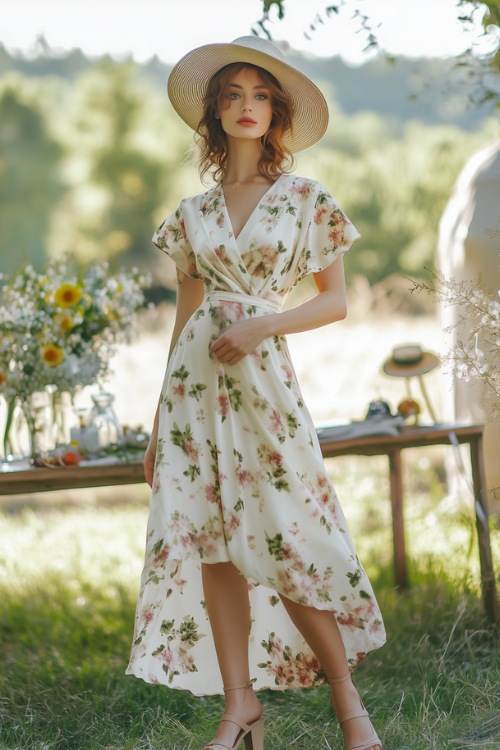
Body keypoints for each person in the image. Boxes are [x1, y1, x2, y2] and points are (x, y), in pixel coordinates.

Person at [126, 36, 386, 750]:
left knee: (287, 534)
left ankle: (348, 705)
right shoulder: (190, 215)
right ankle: (239, 710)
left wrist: (265, 324)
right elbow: (185, 317)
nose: (247, 106)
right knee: (212, 542)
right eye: (233, 96)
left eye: (260, 95)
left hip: (264, 383)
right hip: (192, 391)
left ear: (278, 114)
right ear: (214, 114)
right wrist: (156, 428)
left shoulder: (307, 200)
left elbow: (334, 302)